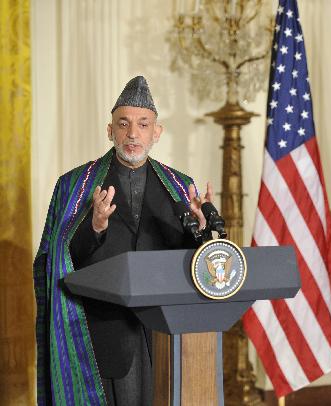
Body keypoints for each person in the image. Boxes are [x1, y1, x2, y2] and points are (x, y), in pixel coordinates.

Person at [34, 76, 212, 405]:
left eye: (143, 124)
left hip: (168, 335)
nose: (133, 133)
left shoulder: (181, 186)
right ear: (110, 130)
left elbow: (195, 265)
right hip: (100, 334)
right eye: (124, 124)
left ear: (156, 133)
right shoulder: (74, 185)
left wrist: (200, 232)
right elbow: (57, 261)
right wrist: (95, 226)